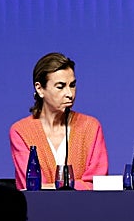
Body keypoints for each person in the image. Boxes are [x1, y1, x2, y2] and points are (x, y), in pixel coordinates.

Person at [9, 52, 108, 191]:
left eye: (72, 85)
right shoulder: (21, 131)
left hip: (84, 210)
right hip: (38, 210)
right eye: (60, 86)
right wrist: (74, 186)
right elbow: (31, 187)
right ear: (40, 89)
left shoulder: (90, 127)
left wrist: (51, 187)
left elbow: (97, 184)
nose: (70, 94)